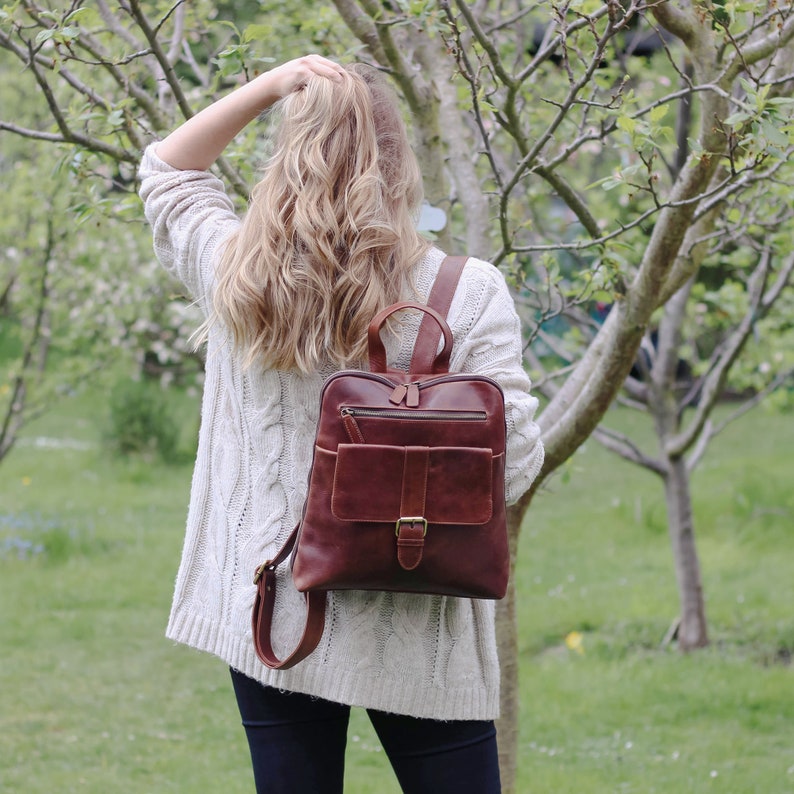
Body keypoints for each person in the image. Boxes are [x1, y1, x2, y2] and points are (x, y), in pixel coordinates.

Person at [139, 54, 544, 794]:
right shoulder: (466, 292)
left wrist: (270, 84)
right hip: (425, 617)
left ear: (284, 161)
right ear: (401, 167)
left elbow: (167, 172)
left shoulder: (239, 277)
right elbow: (513, 463)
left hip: (278, 610)